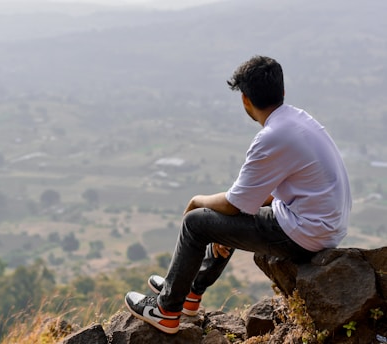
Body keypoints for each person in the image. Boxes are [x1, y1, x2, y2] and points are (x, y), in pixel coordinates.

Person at [124, 55, 352, 334]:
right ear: (282, 91)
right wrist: (229, 219)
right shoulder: (298, 120)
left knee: (196, 222)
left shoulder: (272, 136)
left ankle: (166, 310)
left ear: (245, 100)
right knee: (229, 214)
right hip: (319, 223)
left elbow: (233, 204)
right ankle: (189, 292)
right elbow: (249, 200)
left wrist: (197, 201)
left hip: (305, 232)